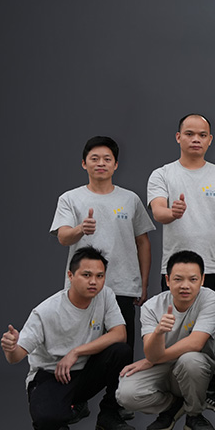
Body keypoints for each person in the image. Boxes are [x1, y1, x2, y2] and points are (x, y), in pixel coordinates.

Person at [147, 113, 215, 412]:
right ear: (178, 137)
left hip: (214, 267)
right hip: (176, 272)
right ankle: (175, 392)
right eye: (189, 134)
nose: (195, 139)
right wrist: (172, 212)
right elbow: (158, 212)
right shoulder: (162, 175)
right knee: (174, 330)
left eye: (202, 135)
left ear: (210, 140)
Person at [1, 247, 136, 430]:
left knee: (121, 351)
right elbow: (15, 357)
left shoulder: (105, 295)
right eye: (86, 275)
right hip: (52, 375)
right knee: (47, 422)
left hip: (84, 371)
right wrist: (10, 348)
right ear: (70, 276)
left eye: (99, 276)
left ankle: (108, 415)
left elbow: (119, 334)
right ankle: (68, 408)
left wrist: (76, 352)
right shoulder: (46, 311)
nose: (93, 281)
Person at [51, 136, 154, 347]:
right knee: (82, 348)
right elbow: (63, 237)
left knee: (121, 350)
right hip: (82, 287)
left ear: (115, 165)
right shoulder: (70, 198)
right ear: (84, 163)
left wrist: (143, 284)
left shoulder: (130, 199)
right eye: (94, 158)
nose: (101, 163)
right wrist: (81, 229)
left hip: (123, 286)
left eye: (107, 159)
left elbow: (143, 242)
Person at [116, 250, 215, 430]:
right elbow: (151, 351)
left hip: (194, 368)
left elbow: (196, 343)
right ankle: (173, 405)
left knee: (190, 360)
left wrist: (153, 359)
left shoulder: (210, 299)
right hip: (162, 368)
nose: (185, 285)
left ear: (202, 280)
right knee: (126, 394)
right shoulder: (151, 307)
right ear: (168, 280)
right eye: (178, 279)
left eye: (193, 279)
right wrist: (158, 333)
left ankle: (194, 414)